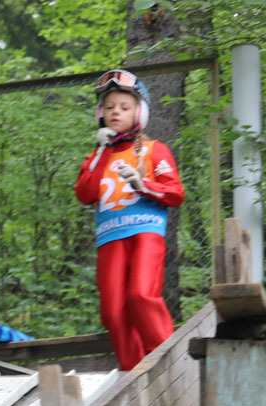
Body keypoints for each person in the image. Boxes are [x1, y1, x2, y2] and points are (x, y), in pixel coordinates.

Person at [74, 68, 186, 371]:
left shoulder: (154, 149)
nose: (115, 112)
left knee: (140, 294)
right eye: (109, 106)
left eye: (124, 107)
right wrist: (100, 152)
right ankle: (132, 374)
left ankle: (168, 364)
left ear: (138, 112)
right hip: (110, 238)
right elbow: (85, 193)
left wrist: (142, 184)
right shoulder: (96, 156)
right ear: (100, 112)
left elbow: (175, 193)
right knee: (112, 311)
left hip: (145, 233)